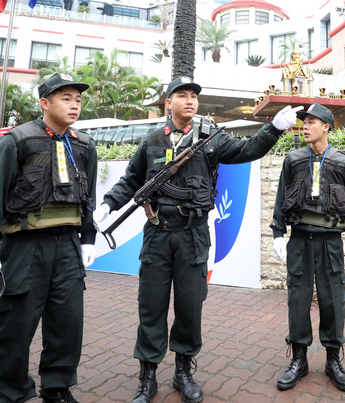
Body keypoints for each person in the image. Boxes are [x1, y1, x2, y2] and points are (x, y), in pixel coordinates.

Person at [93, 76, 301, 403]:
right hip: (159, 234)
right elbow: (131, 180)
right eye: (182, 95)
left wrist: (273, 128)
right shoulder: (152, 141)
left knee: (190, 306)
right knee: (151, 306)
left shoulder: (212, 139)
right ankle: (147, 376)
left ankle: (183, 371)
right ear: (169, 103)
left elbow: (248, 150)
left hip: (193, 235)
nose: (190, 100)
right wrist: (108, 203)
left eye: (194, 96)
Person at [0, 73, 98, 403]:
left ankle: (56, 387)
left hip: (68, 247)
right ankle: (12, 392)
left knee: (68, 324)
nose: (74, 105)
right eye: (66, 98)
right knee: (14, 327)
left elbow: (89, 197)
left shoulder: (84, 145)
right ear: (45, 103)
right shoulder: (17, 141)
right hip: (25, 247)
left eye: (78, 99)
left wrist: (88, 237)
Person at [270, 103, 345, 392]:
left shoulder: (343, 162)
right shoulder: (293, 160)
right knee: (298, 300)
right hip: (300, 240)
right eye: (304, 121)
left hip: (330, 242)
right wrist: (278, 233)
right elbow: (280, 200)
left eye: (312, 121)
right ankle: (299, 359)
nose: (306, 125)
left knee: (333, 301)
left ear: (327, 127)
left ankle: (333, 361)